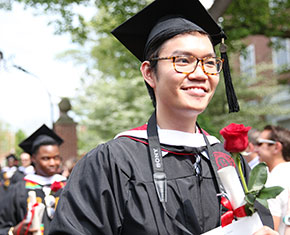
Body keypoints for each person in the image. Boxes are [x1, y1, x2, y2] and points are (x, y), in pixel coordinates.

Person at [49, 0, 276, 234]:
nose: (200, 73)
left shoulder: (226, 159)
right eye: (183, 61)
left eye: (209, 62)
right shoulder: (112, 162)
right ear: (149, 73)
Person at [0, 124, 67, 235]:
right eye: (46, 158)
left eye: (56, 158)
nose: (52, 163)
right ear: (33, 159)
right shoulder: (18, 190)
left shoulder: (68, 186)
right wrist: (14, 231)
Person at [256, 125, 290, 234]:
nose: (256, 149)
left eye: (260, 143)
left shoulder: (274, 180)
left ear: (276, 147)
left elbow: (270, 227)